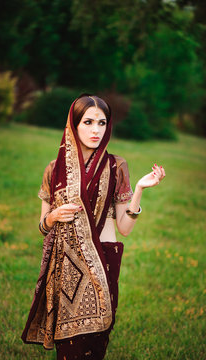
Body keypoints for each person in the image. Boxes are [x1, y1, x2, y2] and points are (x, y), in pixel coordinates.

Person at [21, 94, 165, 359]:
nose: (96, 130)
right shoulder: (54, 170)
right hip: (66, 270)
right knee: (69, 349)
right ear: (73, 125)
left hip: (103, 265)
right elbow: (42, 227)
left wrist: (141, 190)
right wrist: (52, 218)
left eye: (102, 123)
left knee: (96, 346)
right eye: (88, 122)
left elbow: (124, 228)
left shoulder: (116, 166)